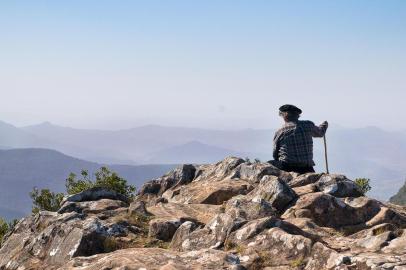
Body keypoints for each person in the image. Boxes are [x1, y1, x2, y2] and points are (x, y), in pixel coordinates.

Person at [270, 104, 328, 174]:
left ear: (284, 116)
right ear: (298, 115)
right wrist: (325, 124)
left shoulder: (280, 131)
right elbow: (321, 133)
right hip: (307, 168)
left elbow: (275, 154)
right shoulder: (308, 125)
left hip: (287, 168)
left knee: (268, 164)